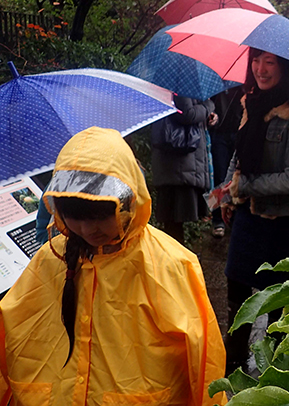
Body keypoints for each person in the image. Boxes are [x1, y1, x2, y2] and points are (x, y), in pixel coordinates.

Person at [0, 127, 226, 405]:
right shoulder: (51, 259)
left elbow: (205, 359)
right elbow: (12, 329)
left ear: (129, 202)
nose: (87, 229)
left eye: (99, 216)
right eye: (75, 217)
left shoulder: (170, 264)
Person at [219, 48, 289, 375]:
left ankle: (275, 366)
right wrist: (226, 193)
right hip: (248, 215)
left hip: (281, 221)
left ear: (285, 67)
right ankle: (233, 364)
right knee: (236, 289)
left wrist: (243, 187)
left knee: (277, 298)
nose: (260, 68)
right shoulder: (252, 103)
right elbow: (239, 157)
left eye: (269, 62)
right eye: (256, 60)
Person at [151, 95, 218, 244]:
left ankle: (178, 260)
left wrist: (207, 116)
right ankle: (178, 263)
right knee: (175, 222)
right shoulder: (179, 83)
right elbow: (187, 114)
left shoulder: (176, 82)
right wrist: (208, 106)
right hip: (179, 164)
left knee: (174, 222)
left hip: (178, 165)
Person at [209, 86, 243, 238]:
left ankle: (233, 216)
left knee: (237, 175)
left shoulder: (245, 83)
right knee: (219, 174)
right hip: (219, 133)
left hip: (239, 132)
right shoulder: (215, 81)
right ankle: (216, 219)